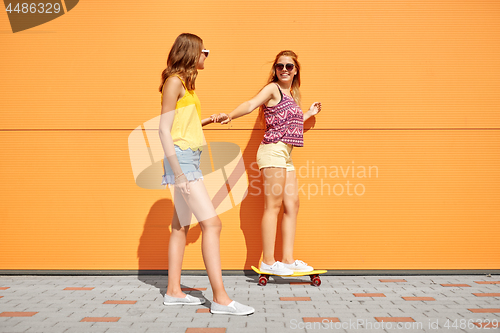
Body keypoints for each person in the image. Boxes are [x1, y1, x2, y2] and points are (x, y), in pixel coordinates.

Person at [158, 33, 254, 316]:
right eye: (204, 51)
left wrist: (208, 119)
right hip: (182, 162)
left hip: (189, 159)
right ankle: (221, 299)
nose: (206, 56)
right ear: (191, 52)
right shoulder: (174, 81)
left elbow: (180, 124)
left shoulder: (185, 85)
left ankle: (174, 292)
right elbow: (163, 129)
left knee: (180, 227)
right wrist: (178, 172)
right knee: (213, 225)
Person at [216, 50, 322, 276]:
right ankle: (268, 260)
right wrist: (231, 115)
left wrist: (308, 114)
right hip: (272, 151)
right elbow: (251, 103)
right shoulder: (273, 89)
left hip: (286, 155)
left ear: (296, 71)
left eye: (289, 66)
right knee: (273, 206)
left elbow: (290, 123)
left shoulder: (291, 95)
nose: (284, 69)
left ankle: (287, 259)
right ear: (275, 70)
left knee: (292, 205)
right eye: (280, 66)